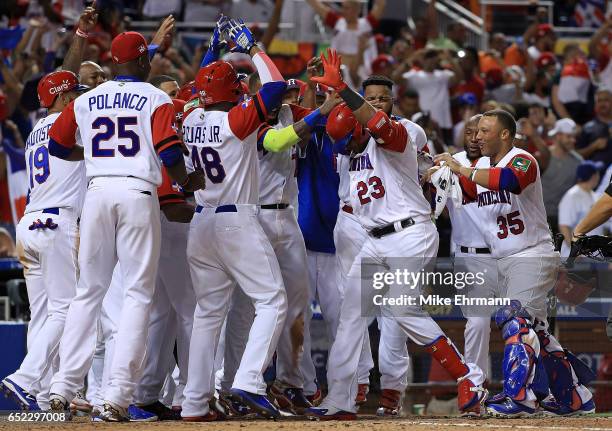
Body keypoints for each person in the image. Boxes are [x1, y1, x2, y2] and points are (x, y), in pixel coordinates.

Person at [305, 48, 486, 419]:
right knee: (350, 315)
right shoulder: (348, 147)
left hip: (411, 233)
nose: (347, 145)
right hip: (374, 238)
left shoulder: (402, 132)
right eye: (344, 142)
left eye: (350, 138)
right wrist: (327, 95)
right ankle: (339, 400)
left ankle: (468, 375)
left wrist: (344, 87)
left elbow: (378, 126)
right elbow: (336, 130)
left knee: (402, 310)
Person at [46, 31, 204, 422]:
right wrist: (185, 183)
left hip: (97, 191)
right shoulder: (155, 97)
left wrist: (98, 155)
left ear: (113, 62)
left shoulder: (85, 99)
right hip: (136, 192)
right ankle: (117, 395)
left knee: (88, 292)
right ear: (145, 62)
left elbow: (56, 144)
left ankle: (62, 387)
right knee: (136, 295)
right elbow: (169, 151)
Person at [435, 109, 595, 417]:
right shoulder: (480, 165)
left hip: (532, 252)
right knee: (537, 331)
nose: (477, 136)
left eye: (484, 131)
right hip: (505, 258)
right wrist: (440, 170)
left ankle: (519, 397)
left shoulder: (522, 159)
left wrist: (461, 168)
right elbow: (466, 193)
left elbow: (508, 181)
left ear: (504, 134)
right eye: (476, 131)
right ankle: (574, 396)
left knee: (513, 319)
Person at [180, 17, 289, 421]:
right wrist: (254, 47)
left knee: (208, 314)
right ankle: (248, 380)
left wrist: (213, 50)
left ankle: (193, 402)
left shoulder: (190, 117)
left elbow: (196, 89)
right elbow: (276, 86)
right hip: (235, 221)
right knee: (272, 300)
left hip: (201, 221)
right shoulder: (237, 119)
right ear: (235, 89)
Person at [0, 71, 88, 412]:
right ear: (65, 98)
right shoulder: (71, 122)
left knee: (43, 314)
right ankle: (25, 378)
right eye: (74, 94)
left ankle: (38, 394)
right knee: (65, 310)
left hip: (29, 226)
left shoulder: (36, 129)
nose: (78, 98)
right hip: (56, 223)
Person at [541, 118, 583, 234]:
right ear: (558, 136)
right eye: (569, 136)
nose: (573, 140)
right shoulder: (543, 157)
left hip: (564, 220)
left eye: (574, 137)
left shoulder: (578, 161)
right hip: (540, 217)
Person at [558, 161, 605, 257]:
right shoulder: (572, 196)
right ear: (593, 177)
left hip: (594, 255)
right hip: (577, 258)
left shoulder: (593, 194)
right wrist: (575, 252)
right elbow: (564, 226)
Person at [576, 87, 612, 166]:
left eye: (606, 100)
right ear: (595, 105)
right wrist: (593, 147)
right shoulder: (588, 128)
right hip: (597, 175)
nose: (602, 104)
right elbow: (577, 156)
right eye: (599, 101)